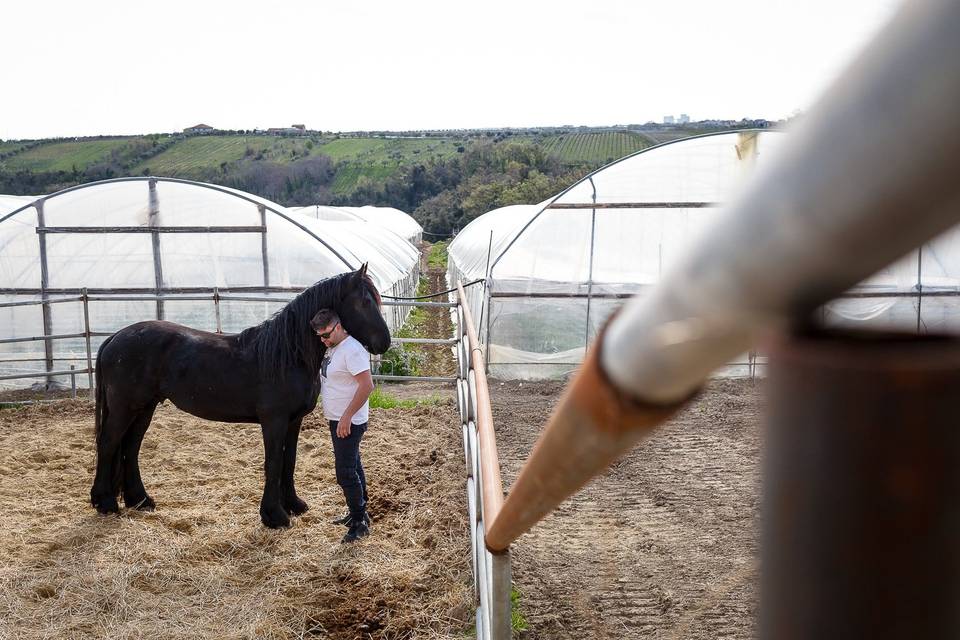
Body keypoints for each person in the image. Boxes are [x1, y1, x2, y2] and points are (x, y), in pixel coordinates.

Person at [311, 308, 375, 543]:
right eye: (319, 336)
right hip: (337, 418)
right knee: (354, 465)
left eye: (326, 334)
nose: (323, 340)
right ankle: (359, 513)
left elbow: (367, 385)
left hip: (349, 421)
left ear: (338, 326)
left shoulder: (352, 350)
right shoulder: (333, 347)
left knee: (345, 473)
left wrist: (347, 417)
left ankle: (359, 522)